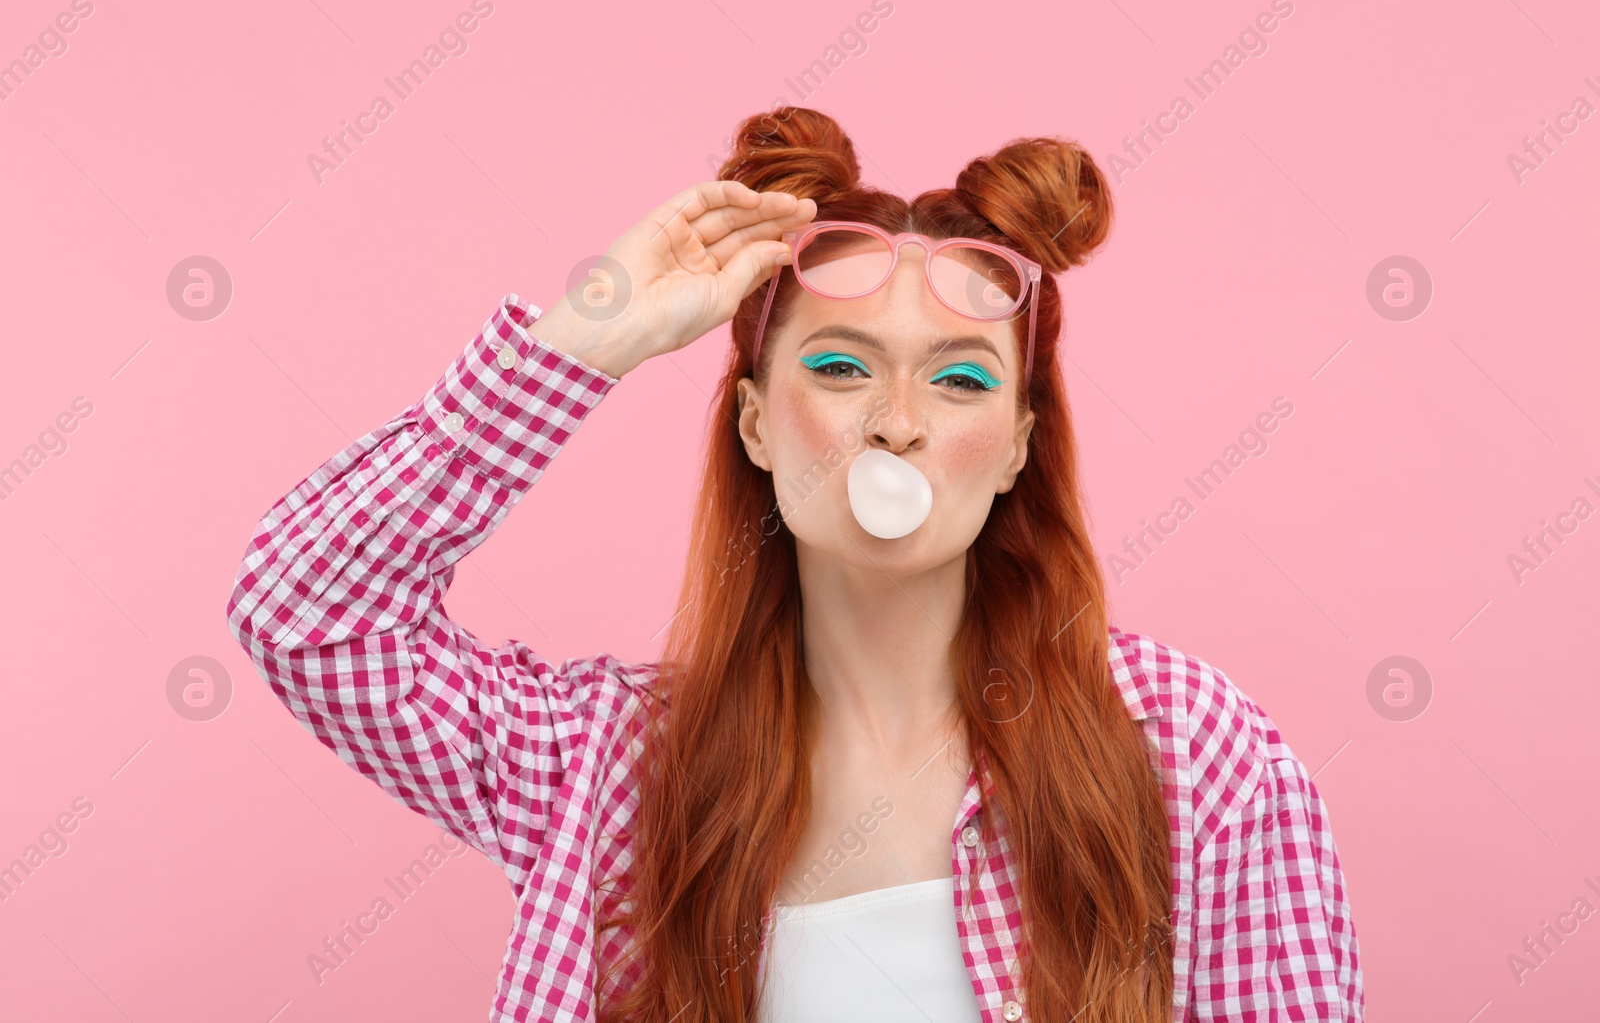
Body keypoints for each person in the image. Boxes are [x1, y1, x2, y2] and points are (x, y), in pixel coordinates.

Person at [226, 107, 1364, 1022]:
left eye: (961, 378)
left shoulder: (1186, 750)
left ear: (1017, 445)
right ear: (758, 425)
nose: (900, 422)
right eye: (839, 366)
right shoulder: (600, 768)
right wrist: (590, 330)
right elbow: (308, 614)